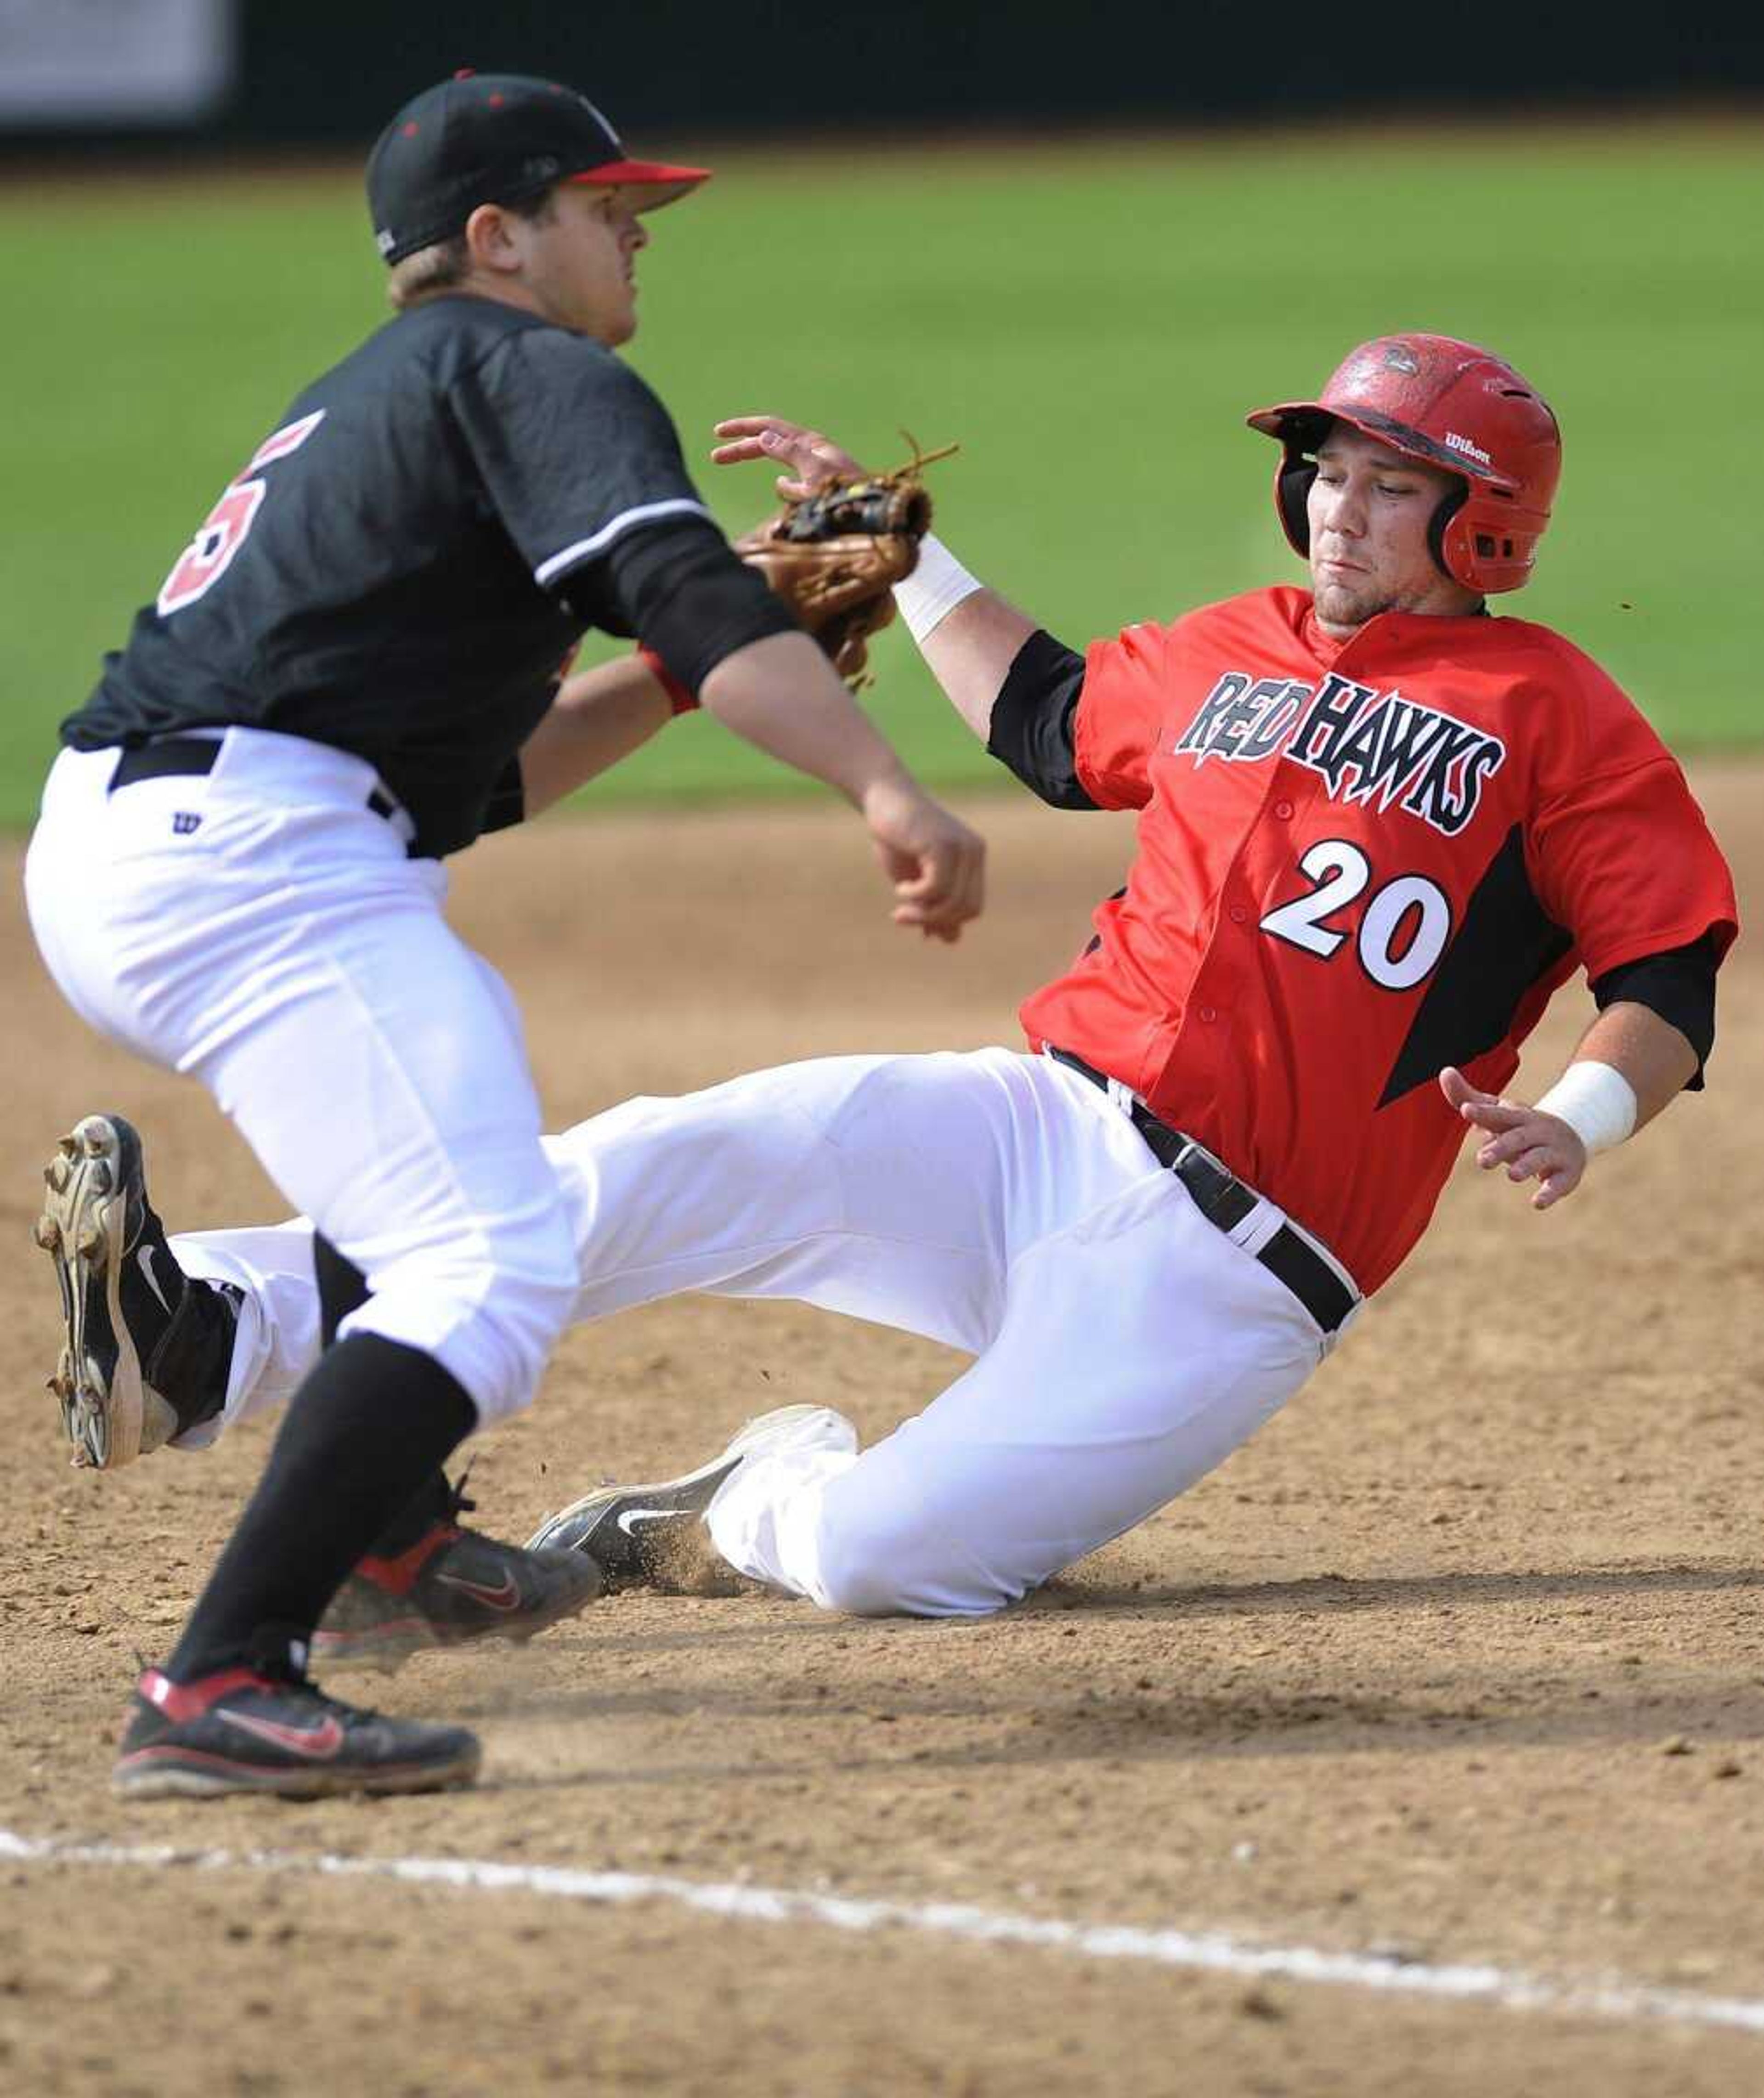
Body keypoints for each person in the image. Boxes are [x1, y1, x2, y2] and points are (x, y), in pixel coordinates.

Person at [39, 333, 1734, 1655]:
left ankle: (741, 1503)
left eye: (1387, 484)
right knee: (645, 1165)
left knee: (886, 1562)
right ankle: (204, 1334)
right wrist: (900, 549)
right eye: (1329, 475)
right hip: (1037, 1125)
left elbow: (1667, 957)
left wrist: (1586, 1110)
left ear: (1482, 520)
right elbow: (1049, 720)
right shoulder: (1242, 643)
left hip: (1231, 1280)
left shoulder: (1550, 709)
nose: (1337, 508)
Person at [23, 70, 984, 1802]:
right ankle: (219, 1679)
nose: (634, 236)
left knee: (423, 1188)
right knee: (491, 1261)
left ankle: (390, 1549)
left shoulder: (387, 400)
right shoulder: (533, 369)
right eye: (606, 208)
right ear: (496, 237)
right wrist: (882, 789)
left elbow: (474, 786)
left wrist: (694, 677)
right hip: (248, 857)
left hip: (171, 838)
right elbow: (687, 585)